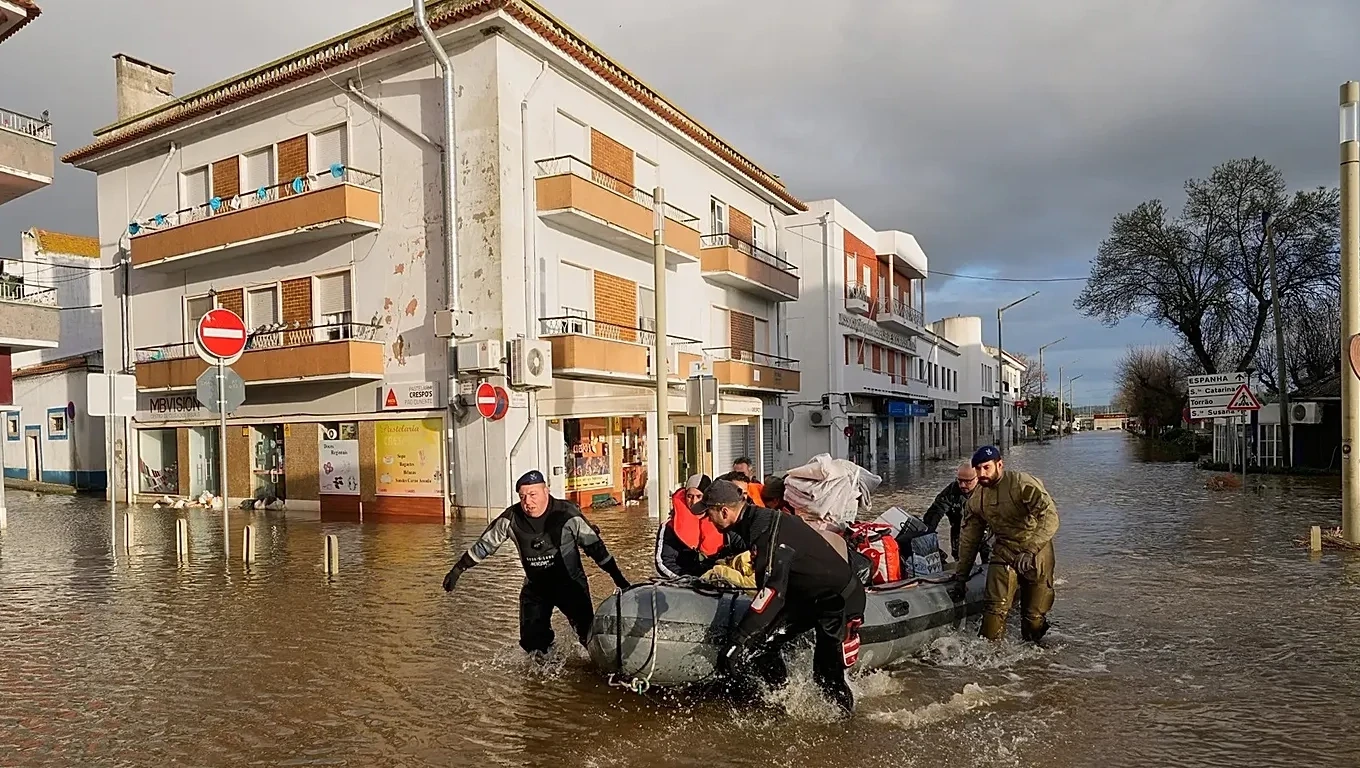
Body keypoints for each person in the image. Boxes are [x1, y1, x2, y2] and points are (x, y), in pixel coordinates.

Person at [703, 479, 866, 716]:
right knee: (763, 646)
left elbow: (772, 594)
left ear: (724, 512)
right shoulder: (754, 521)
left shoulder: (768, 531)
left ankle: (844, 727)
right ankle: (782, 702)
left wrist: (737, 641)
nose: (707, 520)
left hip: (837, 600)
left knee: (826, 675)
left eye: (709, 514)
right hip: (807, 596)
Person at [442, 470, 632, 655]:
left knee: (588, 639)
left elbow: (596, 549)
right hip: (536, 588)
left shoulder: (567, 514)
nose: (528, 502)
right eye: (522, 496)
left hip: (570, 586)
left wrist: (618, 579)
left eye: (533, 494)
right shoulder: (511, 518)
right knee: (533, 647)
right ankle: (544, 680)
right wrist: (458, 570)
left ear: (545, 491)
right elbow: (484, 546)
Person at [953, 446, 1059, 643]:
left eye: (986, 468)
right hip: (1004, 551)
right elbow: (969, 539)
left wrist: (1030, 550)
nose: (982, 474)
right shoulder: (977, 499)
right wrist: (961, 576)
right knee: (994, 611)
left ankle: (1036, 658)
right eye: (977, 469)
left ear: (999, 465)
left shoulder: (1022, 484)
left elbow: (1050, 517)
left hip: (1036, 550)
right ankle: (989, 660)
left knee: (1033, 618)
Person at [655, 473, 727, 578]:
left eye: (699, 496)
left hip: (716, 578)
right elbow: (664, 562)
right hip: (683, 580)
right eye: (690, 496)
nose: (694, 501)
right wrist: (685, 579)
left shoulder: (723, 522)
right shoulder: (669, 527)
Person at [920, 462, 984, 563]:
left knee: (991, 560)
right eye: (960, 481)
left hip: (984, 530)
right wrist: (928, 532)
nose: (962, 485)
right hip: (960, 529)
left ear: (977, 478)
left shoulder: (987, 490)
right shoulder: (951, 491)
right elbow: (937, 510)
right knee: (961, 561)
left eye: (967, 482)